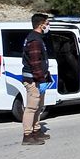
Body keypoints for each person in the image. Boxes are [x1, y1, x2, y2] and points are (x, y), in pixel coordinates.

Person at [21, 13, 52, 145]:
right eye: (47, 23)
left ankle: (36, 130)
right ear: (41, 25)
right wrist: (41, 80)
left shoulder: (38, 38)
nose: (48, 26)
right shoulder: (34, 40)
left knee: (39, 106)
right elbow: (35, 63)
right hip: (34, 79)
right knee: (32, 108)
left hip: (39, 78)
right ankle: (27, 135)